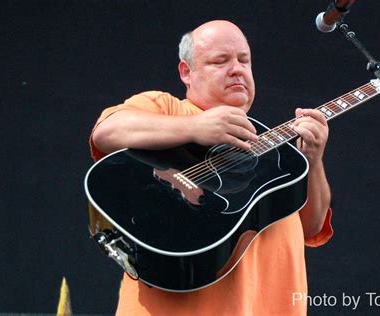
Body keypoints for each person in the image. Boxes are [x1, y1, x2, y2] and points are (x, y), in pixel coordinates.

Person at [89, 20, 333, 316]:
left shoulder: (281, 159)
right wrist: (195, 126)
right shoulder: (167, 108)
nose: (237, 69)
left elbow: (312, 226)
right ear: (186, 72)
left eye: (245, 60)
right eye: (221, 61)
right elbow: (107, 131)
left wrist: (313, 159)